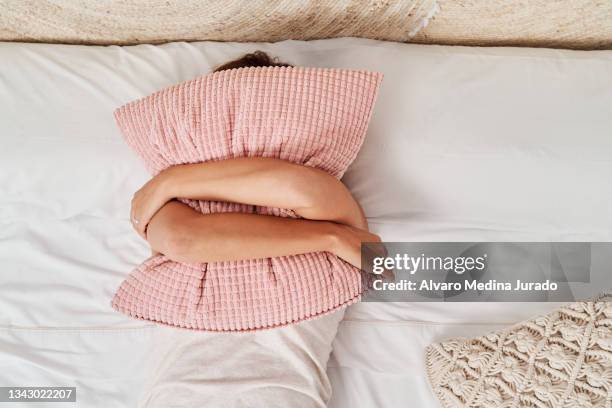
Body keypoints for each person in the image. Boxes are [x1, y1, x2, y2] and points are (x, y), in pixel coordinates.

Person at [129, 51, 380, 270]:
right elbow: (180, 240)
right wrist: (331, 238)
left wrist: (172, 180)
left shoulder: (327, 194)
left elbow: (296, 186)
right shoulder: (171, 202)